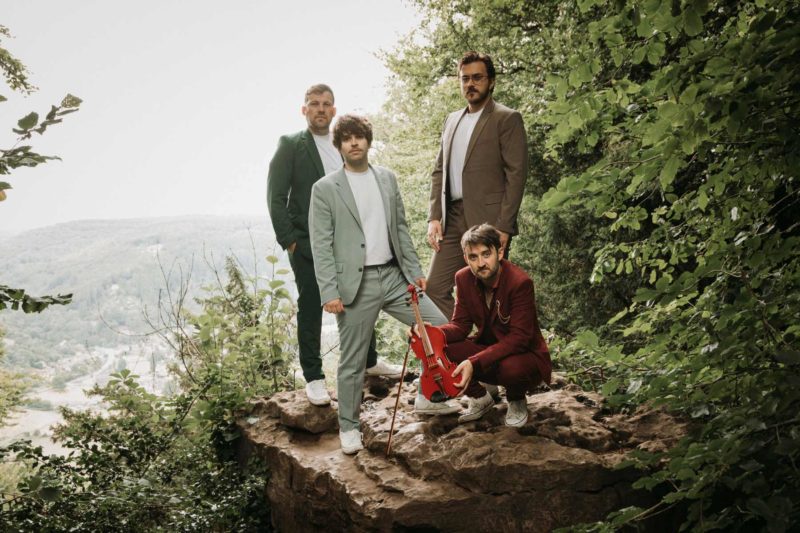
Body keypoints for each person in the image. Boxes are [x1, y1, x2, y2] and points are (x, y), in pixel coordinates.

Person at [309, 114, 456, 454]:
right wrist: (329, 291)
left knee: (439, 329)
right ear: (340, 146)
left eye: (359, 136)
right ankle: (348, 426)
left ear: (368, 141)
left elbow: (400, 227)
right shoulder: (325, 189)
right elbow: (321, 244)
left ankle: (429, 395)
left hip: (394, 277)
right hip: (354, 286)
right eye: (347, 139)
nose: (354, 143)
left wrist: (414, 268)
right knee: (353, 360)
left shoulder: (387, 179)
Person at [267, 84, 400, 407]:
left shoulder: (343, 142)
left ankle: (369, 362)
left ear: (334, 110)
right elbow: (275, 196)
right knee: (312, 304)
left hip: (351, 241)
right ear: (304, 110)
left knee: (361, 298)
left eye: (327, 104)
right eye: (314, 104)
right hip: (309, 243)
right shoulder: (291, 145)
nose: (321, 109)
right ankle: (313, 377)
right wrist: (291, 242)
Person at [426, 51, 528, 319]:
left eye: (477, 78)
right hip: (452, 218)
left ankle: (491, 355)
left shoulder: (507, 118)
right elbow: (439, 170)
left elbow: (516, 175)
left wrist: (504, 226)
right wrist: (435, 215)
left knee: (492, 295)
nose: (470, 84)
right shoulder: (451, 120)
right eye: (465, 79)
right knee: (434, 288)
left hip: (488, 221)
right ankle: (465, 345)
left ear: (491, 81)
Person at [420, 224, 551, 427]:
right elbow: (460, 325)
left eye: (486, 254)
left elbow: (520, 339)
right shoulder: (463, 278)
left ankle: (516, 399)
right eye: (473, 257)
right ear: (466, 259)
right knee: (442, 346)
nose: (481, 263)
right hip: (489, 351)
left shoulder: (520, 283)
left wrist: (474, 362)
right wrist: (431, 333)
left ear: (499, 253)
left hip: (524, 357)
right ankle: (481, 398)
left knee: (511, 369)